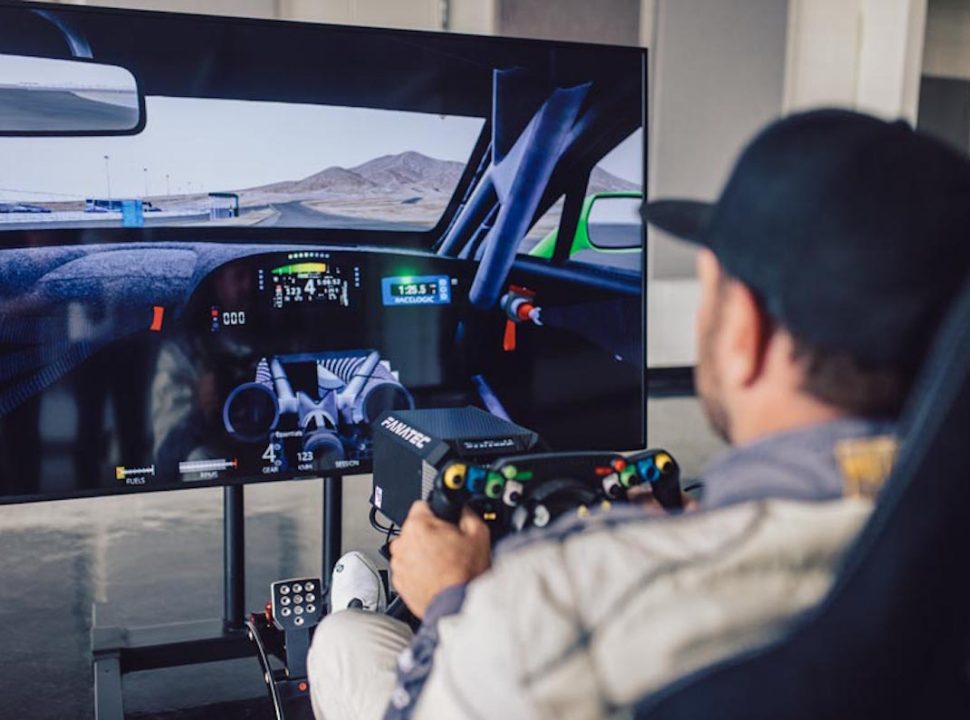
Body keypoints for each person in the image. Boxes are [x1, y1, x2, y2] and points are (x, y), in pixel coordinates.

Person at [306, 109, 970, 720]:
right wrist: (701, 527)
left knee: (344, 640)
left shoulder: (553, 603)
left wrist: (454, 600)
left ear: (746, 332)